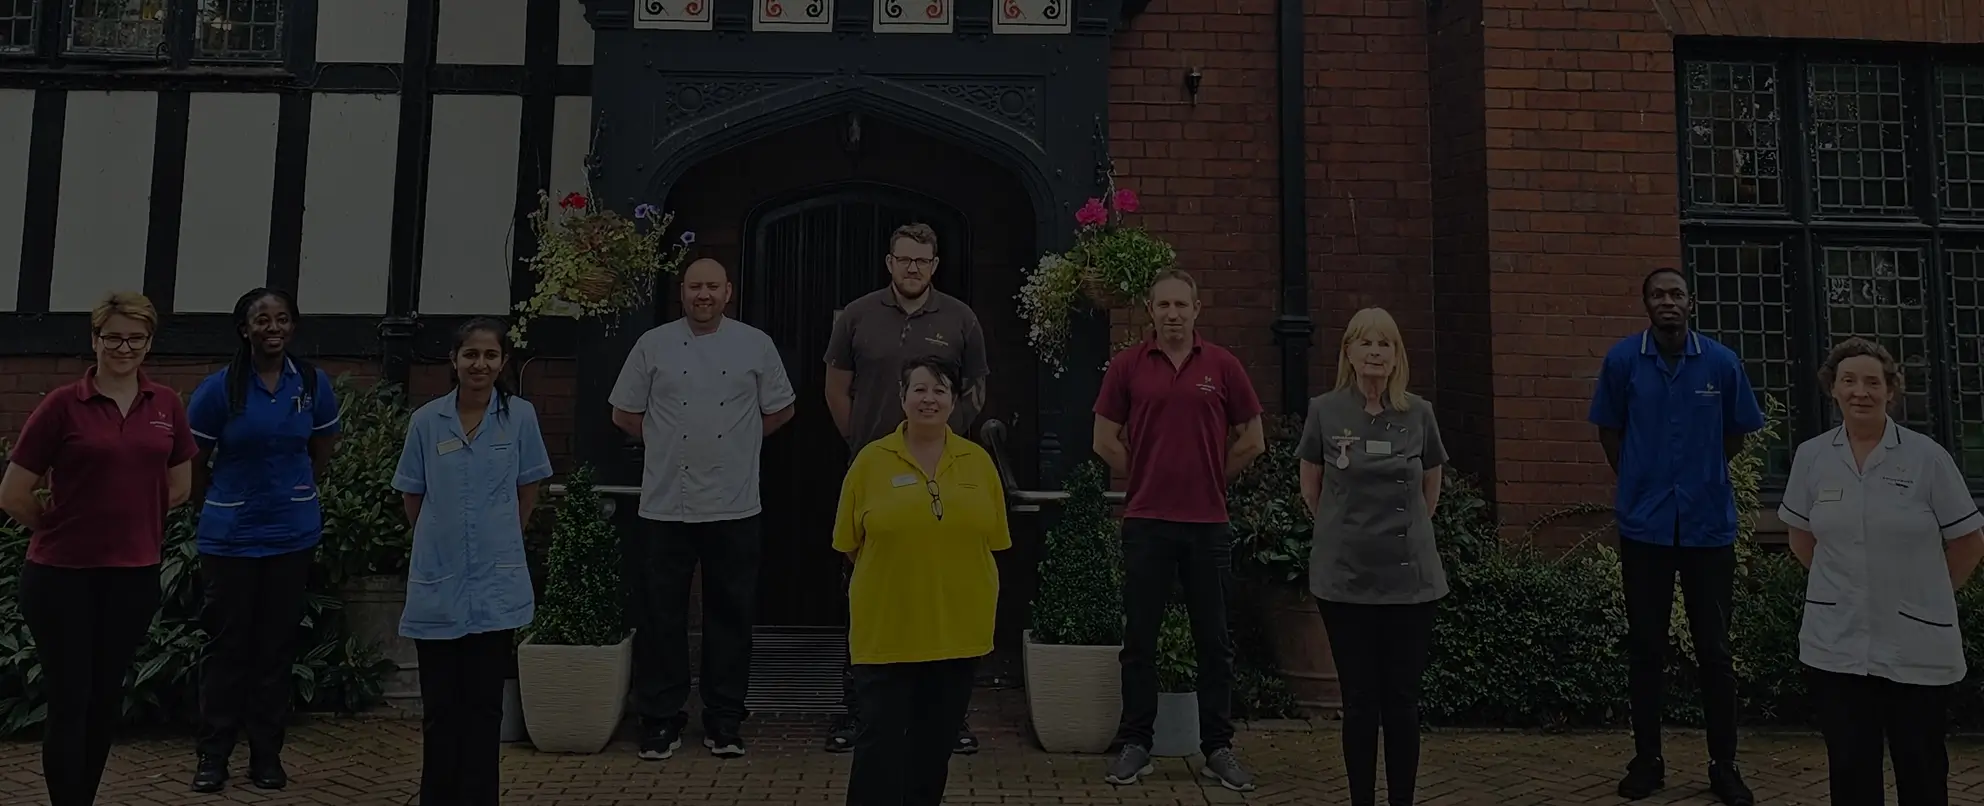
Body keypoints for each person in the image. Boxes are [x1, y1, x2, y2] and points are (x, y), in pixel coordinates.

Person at [0, 292, 197, 806]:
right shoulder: (62, 404)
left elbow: (180, 487)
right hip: (61, 575)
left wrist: (133, 521)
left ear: (149, 343)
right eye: (113, 336)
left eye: (135, 337)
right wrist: (56, 523)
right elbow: (13, 493)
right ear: (95, 340)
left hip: (132, 575)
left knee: (106, 698)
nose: (123, 347)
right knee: (70, 699)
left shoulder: (166, 406)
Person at [1778, 337, 1984, 806]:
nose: (1860, 392)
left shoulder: (1927, 457)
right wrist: (1850, 585)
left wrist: (1926, 592)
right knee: (1850, 768)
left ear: (1891, 391)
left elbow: (1969, 543)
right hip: (1838, 642)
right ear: (1833, 389)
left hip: (1916, 643)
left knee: (1921, 767)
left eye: (1873, 382)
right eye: (1848, 381)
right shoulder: (1812, 457)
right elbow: (1801, 537)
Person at [1588, 268, 1763, 806]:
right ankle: (1647, 760)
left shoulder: (1721, 363)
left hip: (1708, 527)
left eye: (1676, 294)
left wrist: (1700, 475)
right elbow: (1609, 432)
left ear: (1692, 303)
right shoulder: (1622, 362)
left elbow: (1734, 434)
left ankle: (1724, 765)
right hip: (1646, 527)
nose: (1668, 302)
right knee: (1646, 647)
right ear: (1645, 304)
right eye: (1658, 294)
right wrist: (1643, 481)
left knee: (1714, 650)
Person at [610, 258, 797, 760]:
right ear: (682, 293)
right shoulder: (653, 345)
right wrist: (667, 443)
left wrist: (739, 445)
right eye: (695, 287)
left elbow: (781, 409)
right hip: (666, 502)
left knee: (731, 614)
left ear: (728, 292)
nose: (704, 295)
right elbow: (624, 412)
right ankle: (660, 717)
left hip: (736, 502)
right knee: (661, 614)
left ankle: (725, 718)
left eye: (712, 286)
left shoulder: (755, 344)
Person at [1093, 269, 1264, 792]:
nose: (1172, 314)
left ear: (1196, 310)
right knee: (1139, 640)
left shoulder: (1223, 365)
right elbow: (1103, 439)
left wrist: (1213, 476)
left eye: (1180, 306)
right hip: (1146, 522)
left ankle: (1217, 748)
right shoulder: (1127, 366)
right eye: (1163, 305)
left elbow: (1252, 439)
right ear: (1150, 310)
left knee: (1213, 642)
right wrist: (1144, 474)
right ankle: (1136, 744)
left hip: (1208, 525)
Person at [822, 222, 990, 754]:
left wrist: (941, 438)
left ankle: (949, 716)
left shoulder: (961, 319)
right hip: (876, 474)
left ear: (935, 264)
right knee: (863, 590)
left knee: (946, 595)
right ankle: (858, 711)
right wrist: (865, 442)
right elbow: (835, 388)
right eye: (904, 259)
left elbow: (975, 390)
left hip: (945, 473)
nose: (912, 268)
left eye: (922, 260)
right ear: (889, 262)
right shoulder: (857, 315)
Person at [833, 355, 1009, 806]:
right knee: (880, 749)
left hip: (957, 634)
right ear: (902, 397)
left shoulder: (978, 464)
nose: (929, 399)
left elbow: (992, 541)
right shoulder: (870, 463)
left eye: (940, 390)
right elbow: (849, 544)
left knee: (933, 750)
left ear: (954, 400)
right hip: (887, 632)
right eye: (920, 389)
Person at [391, 317, 553, 806]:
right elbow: (413, 497)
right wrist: (443, 541)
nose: (479, 364)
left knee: (484, 709)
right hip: (439, 584)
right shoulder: (426, 421)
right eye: (470, 355)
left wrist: (499, 536)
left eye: (489, 355)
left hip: (494, 584)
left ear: (503, 362)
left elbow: (529, 490)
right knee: (440, 708)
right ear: (454, 360)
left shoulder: (520, 417)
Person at [185, 288, 340, 793]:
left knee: (274, 650)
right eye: (261, 320)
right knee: (228, 649)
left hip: (291, 536)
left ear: (292, 327)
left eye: (282, 319)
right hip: (230, 538)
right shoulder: (217, 390)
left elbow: (320, 450)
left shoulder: (312, 383)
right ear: (244, 329)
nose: (273, 328)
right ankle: (213, 757)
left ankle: (266, 757)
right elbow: (194, 466)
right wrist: (222, 503)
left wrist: (294, 492)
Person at [1295, 307, 1446, 806]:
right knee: (1359, 703)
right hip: (1346, 581)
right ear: (1349, 353)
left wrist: (1402, 534)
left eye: (1386, 344)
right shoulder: (1325, 411)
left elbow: (1430, 490)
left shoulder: (1419, 413)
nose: (1376, 352)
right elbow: (1312, 489)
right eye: (1366, 343)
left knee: (1401, 702)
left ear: (1397, 355)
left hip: (1410, 581)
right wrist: (1347, 532)